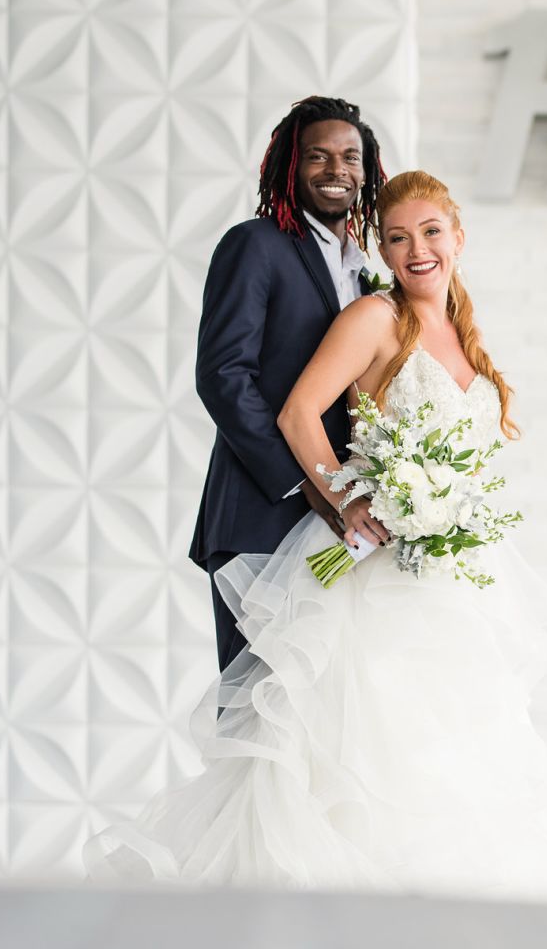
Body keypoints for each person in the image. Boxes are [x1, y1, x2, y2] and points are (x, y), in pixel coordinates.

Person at [84, 171, 547, 903]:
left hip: (449, 582)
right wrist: (349, 503)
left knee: (450, 759)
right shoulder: (374, 318)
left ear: (458, 238)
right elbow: (299, 415)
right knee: (351, 753)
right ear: (382, 250)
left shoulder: (464, 330)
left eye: (430, 232)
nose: (415, 248)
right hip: (368, 569)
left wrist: (447, 509)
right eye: (396, 237)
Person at [189, 95, 386, 674]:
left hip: (348, 528)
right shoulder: (255, 245)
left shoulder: (365, 272)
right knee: (259, 716)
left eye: (350, 157)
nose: (337, 171)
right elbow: (223, 377)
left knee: (323, 716)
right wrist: (310, 484)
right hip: (262, 515)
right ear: (288, 166)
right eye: (317, 157)